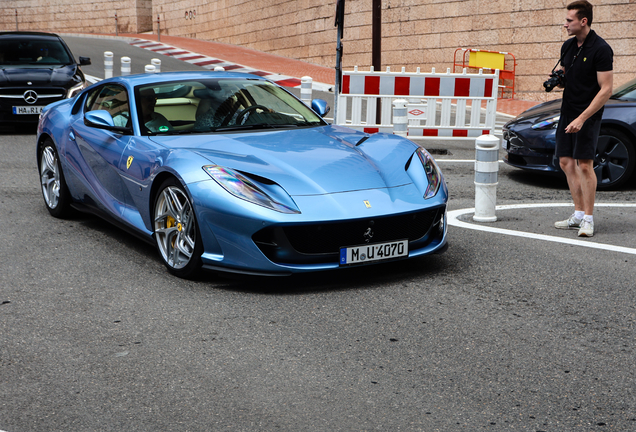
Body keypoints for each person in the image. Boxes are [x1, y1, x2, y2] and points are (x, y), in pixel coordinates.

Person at [553, 0, 613, 237]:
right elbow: (568, 79)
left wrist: (582, 118)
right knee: (566, 163)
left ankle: (588, 218)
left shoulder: (601, 49)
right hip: (568, 110)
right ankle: (577, 214)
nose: (565, 24)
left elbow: (606, 89)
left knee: (585, 165)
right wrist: (559, 81)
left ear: (583, 21)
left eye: (569, 20)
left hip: (588, 114)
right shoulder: (568, 46)